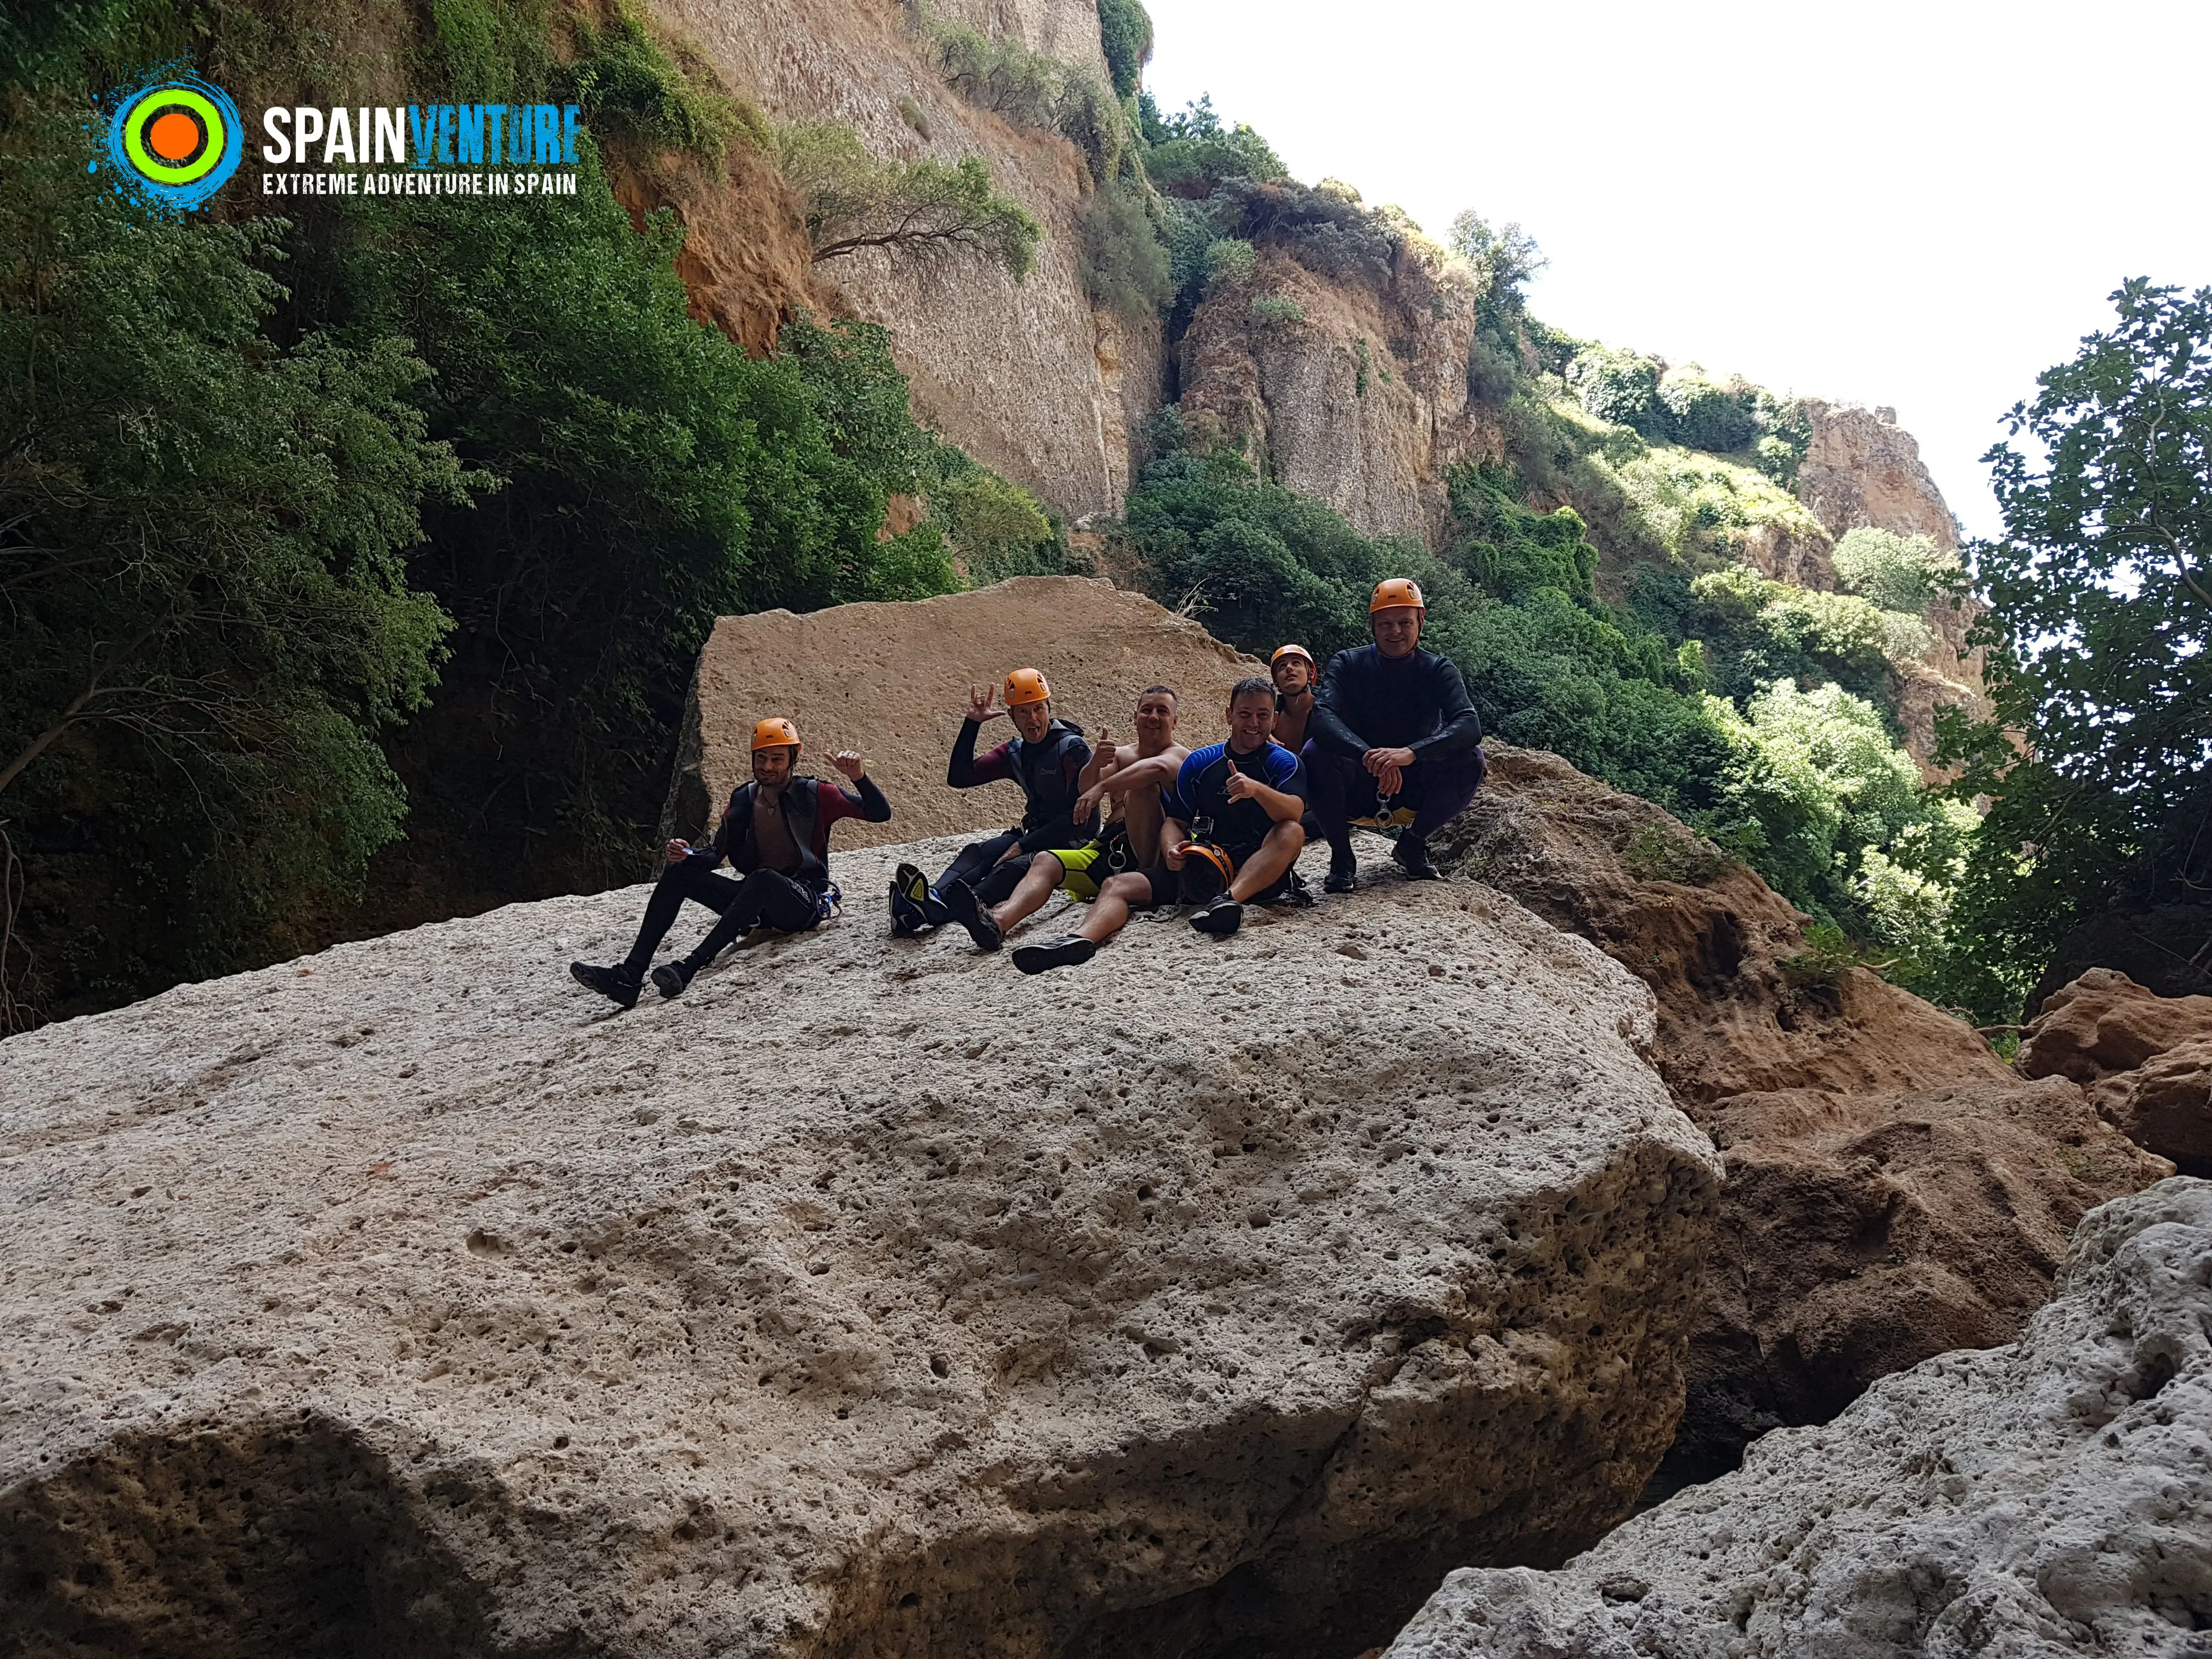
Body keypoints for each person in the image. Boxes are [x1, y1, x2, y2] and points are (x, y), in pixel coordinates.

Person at [571, 718, 889, 1008]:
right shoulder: (743, 799)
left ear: (794, 757)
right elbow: (715, 854)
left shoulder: (818, 793)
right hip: (754, 904)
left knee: (764, 878)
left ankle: (690, 967)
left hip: (803, 902)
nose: (768, 767)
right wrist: (688, 855)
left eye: (778, 759)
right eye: (761, 758)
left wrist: (858, 777)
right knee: (680, 874)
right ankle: (629, 975)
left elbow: (879, 813)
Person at [1012, 678, 1306, 973]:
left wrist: (1257, 790)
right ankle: (1077, 941)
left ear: (1275, 719)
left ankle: (1228, 901)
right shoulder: (1203, 762)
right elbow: (1176, 821)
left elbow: (1295, 809)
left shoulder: (1284, 762)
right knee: (1117, 885)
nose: (1253, 723)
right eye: (1245, 714)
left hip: (1257, 874)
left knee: (1292, 830)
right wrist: (1170, 849)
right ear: (1229, 715)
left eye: (1262, 715)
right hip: (1202, 869)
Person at [951, 685, 1188, 951]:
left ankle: (1144, 879)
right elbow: (1085, 788)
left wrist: (1104, 787)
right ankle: (997, 922)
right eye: (1146, 710)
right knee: (1045, 860)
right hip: (1112, 851)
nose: (1153, 717)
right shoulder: (1121, 755)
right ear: (1135, 717)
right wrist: (1095, 765)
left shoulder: (1180, 755)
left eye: (1162, 711)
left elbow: (1154, 769)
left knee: (1141, 789)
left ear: (1175, 721)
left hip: (1155, 858)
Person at [891, 668, 1096, 946]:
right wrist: (972, 723)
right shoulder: (1016, 752)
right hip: (1032, 832)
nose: (1033, 719)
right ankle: (930, 898)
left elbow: (1082, 820)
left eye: (1038, 709)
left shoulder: (1073, 749)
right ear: (1012, 717)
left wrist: (1024, 846)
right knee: (980, 853)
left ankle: (916, 914)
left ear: (1049, 708)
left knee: (1011, 868)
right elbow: (959, 778)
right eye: (1023, 713)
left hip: (1069, 839)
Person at [1305, 577, 1485, 893]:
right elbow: (1321, 717)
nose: (1395, 632)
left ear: (1421, 621)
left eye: (1405, 622)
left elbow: (1469, 725)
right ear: (1373, 625)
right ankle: (1342, 857)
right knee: (1313, 753)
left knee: (1472, 759)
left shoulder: (1438, 670)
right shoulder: (1347, 663)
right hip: (1356, 780)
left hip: (1412, 782)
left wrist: (1410, 754)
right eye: (1385, 624)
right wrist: (1368, 756)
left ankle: (1412, 844)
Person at [1269, 644, 1319, 753]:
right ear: (1276, 681)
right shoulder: (1269, 711)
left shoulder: (1328, 711)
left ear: (1311, 673)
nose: (1289, 668)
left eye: (1296, 663)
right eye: (1282, 666)